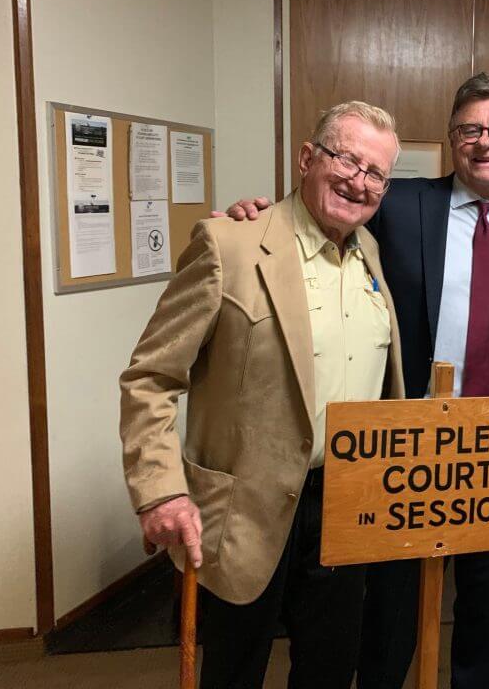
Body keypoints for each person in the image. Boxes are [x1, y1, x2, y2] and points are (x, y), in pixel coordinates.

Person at [223, 73, 489, 689]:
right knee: (388, 621)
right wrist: (258, 214)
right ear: (451, 137)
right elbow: (319, 216)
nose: (485, 142)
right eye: (469, 129)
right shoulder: (401, 205)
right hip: (406, 456)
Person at [120, 101, 406, 689]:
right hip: (244, 511)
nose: (359, 180)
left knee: (329, 668)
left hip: (347, 503)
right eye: (347, 159)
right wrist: (160, 490)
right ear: (307, 157)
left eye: (376, 172)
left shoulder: (370, 253)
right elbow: (151, 376)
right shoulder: (229, 244)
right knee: (234, 671)